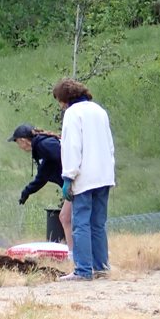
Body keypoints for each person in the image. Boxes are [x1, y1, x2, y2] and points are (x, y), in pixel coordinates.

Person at [52, 78, 116, 281]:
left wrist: (68, 177)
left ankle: (83, 270)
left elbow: (72, 146)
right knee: (98, 224)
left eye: (59, 101)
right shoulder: (99, 110)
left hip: (84, 177)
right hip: (104, 175)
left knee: (81, 224)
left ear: (65, 99)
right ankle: (101, 267)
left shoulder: (73, 113)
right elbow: (109, 144)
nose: (60, 106)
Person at [8, 124, 73, 250]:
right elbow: (43, 176)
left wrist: (69, 178)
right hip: (71, 184)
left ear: (23, 140)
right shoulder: (41, 147)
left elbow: (62, 156)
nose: (19, 147)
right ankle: (74, 254)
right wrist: (27, 192)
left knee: (69, 218)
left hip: (75, 183)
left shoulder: (44, 145)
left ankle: (78, 256)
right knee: (65, 217)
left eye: (17, 143)